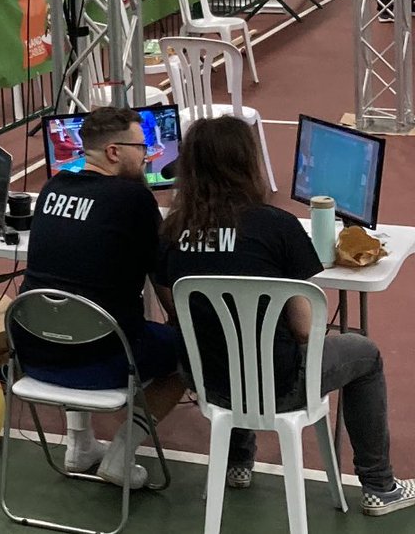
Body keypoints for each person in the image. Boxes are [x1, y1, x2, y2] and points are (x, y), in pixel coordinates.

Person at [155, 116, 415, 516]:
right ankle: (380, 487)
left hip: (207, 382)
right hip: (281, 386)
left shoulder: (170, 232)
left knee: (230, 342)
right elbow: (304, 327)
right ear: (246, 163)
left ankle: (238, 463)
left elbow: (175, 305)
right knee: (365, 355)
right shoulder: (276, 226)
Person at [16, 106, 186, 488]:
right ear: (113, 152)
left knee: (75, 317)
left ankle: (78, 445)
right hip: (102, 360)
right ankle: (121, 456)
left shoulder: (51, 189)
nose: (147, 155)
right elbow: (162, 278)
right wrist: (182, 324)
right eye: (141, 148)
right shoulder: (134, 201)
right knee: (189, 351)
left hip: (34, 354)